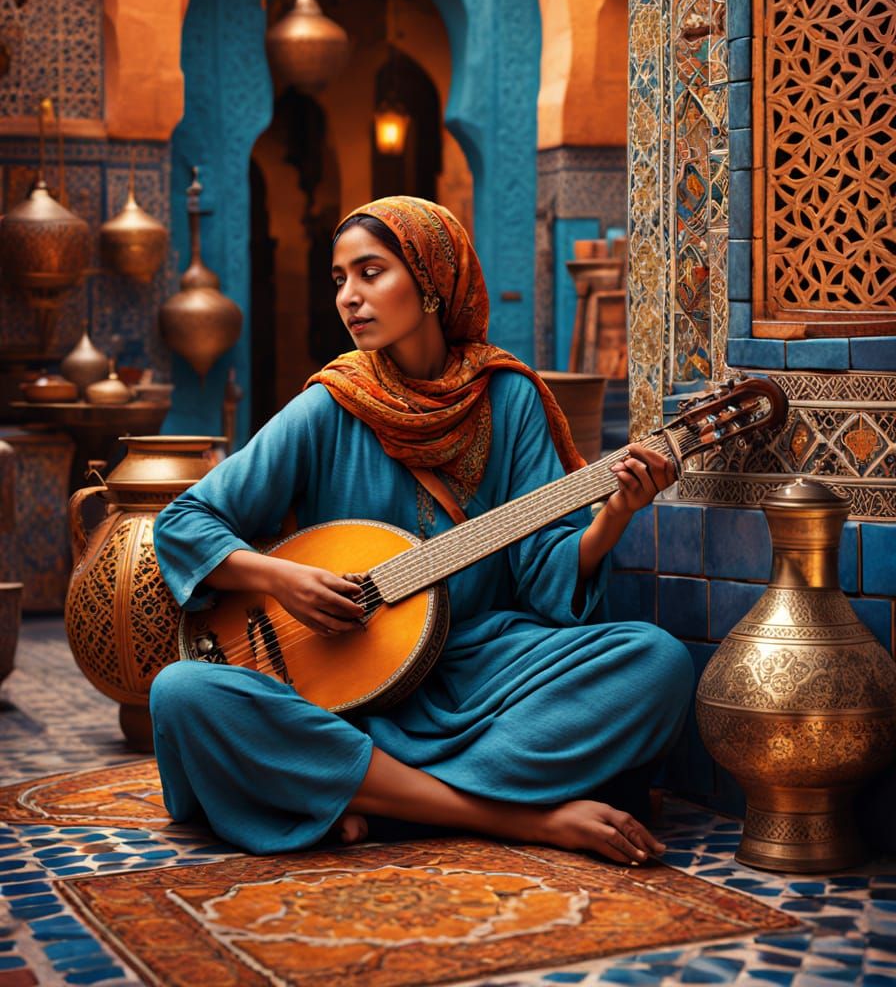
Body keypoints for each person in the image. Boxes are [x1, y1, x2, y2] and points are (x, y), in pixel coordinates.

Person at [149, 195, 693, 865]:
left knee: (657, 664)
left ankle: (364, 795)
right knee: (183, 692)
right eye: (340, 279)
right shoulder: (330, 404)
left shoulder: (509, 398)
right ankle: (522, 818)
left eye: (371, 272)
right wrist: (281, 579)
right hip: (339, 690)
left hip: (476, 671)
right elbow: (183, 522)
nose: (350, 296)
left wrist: (615, 513)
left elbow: (545, 571)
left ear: (433, 280)